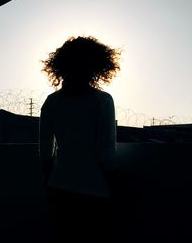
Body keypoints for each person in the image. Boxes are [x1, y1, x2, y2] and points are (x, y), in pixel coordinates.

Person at [39, 36, 121, 242]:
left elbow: (45, 154)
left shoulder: (51, 102)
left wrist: (51, 181)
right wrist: (116, 186)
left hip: (58, 187)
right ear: (97, 66)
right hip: (93, 189)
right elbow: (106, 153)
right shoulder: (102, 101)